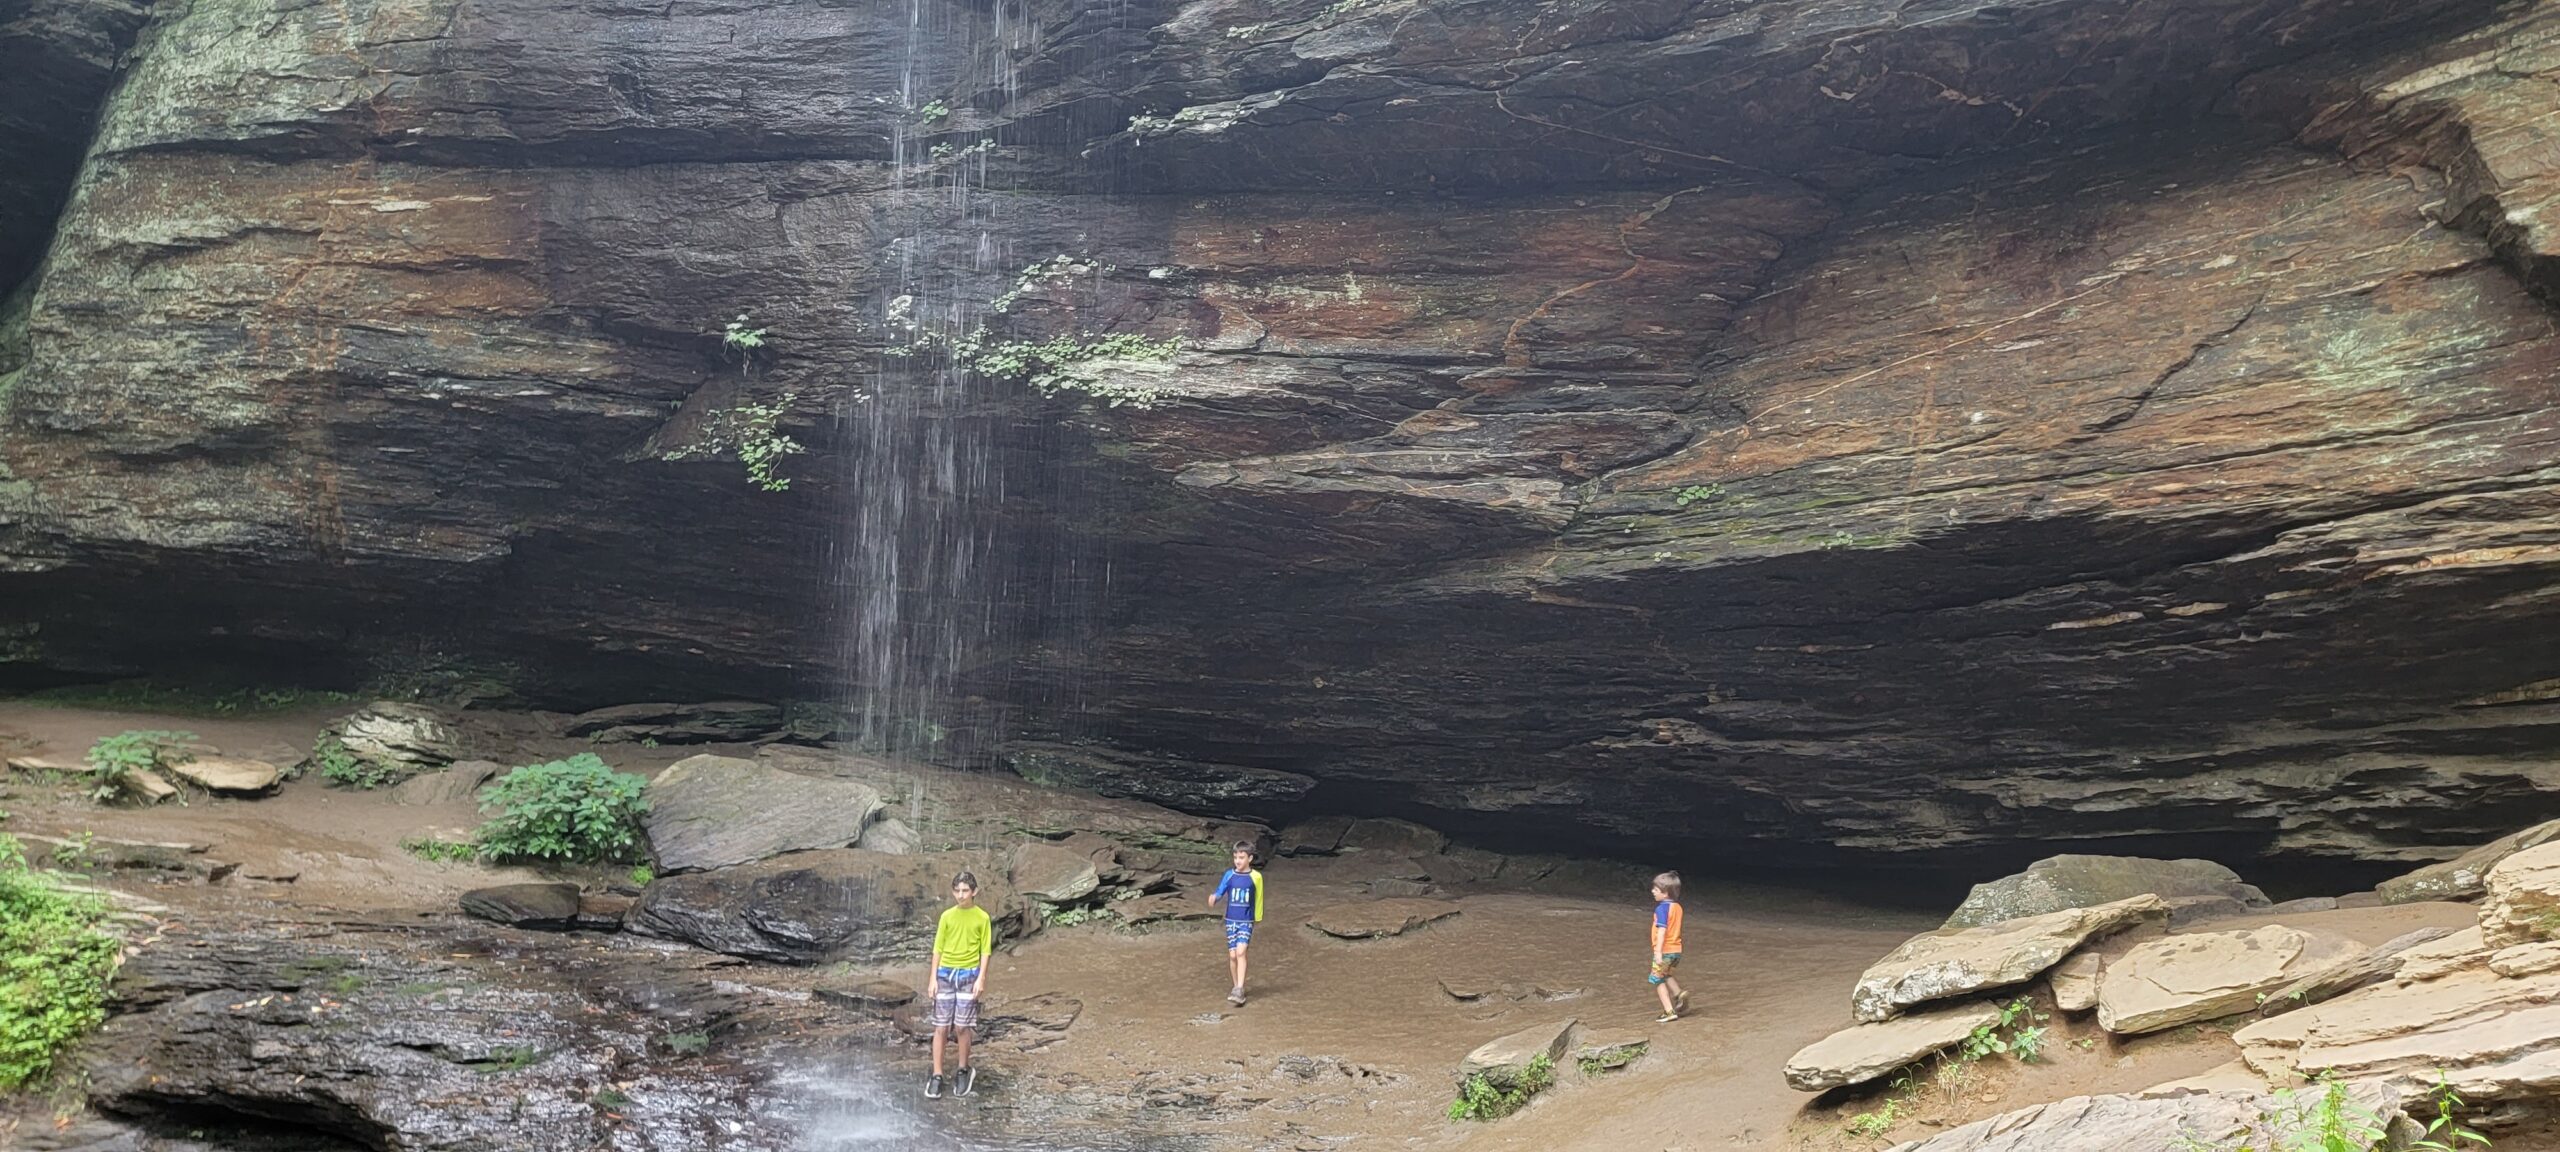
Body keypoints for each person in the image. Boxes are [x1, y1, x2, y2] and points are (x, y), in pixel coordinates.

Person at [925, 871, 993, 1099]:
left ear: (974, 892)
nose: (961, 895)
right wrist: (933, 977)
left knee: (962, 1026)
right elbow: (938, 948)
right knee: (941, 1026)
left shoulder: (982, 917)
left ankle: (963, 1069)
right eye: (957, 891)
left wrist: (981, 978)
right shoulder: (947, 916)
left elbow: (985, 950)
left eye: (965, 891)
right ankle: (937, 1074)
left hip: (968, 975)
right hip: (945, 973)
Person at [1206, 840, 1264, 1006]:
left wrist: (1257, 917)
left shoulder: (1256, 877)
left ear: (1250, 858)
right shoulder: (1230, 875)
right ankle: (1235, 985)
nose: (1238, 860)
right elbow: (1220, 890)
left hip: (1246, 920)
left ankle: (1239, 988)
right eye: (1235, 857)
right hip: (1231, 920)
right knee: (1232, 955)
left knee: (1241, 952)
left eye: (1241, 857)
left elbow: (1259, 898)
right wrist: (1214, 898)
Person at [1648, 870, 1690, 1023]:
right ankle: (1679, 993)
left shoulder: (1661, 909)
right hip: (1676, 951)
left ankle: (1668, 1011)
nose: (1652, 891)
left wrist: (1658, 952)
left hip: (1664, 950)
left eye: (1656, 889)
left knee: (1657, 980)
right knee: (1666, 975)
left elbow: (1662, 930)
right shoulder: (1677, 907)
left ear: (1665, 893)